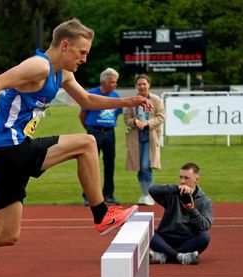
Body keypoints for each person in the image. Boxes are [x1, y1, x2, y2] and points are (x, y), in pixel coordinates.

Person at [0, 18, 153, 277]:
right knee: (87, 143)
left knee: (7, 234)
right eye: (82, 52)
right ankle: (102, 215)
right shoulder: (39, 66)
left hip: (4, 156)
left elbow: (86, 100)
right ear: (64, 45)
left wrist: (128, 100)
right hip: (12, 149)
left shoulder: (63, 74)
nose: (84, 59)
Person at [148, 162, 212, 265]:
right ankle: (180, 256)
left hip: (187, 240)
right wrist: (176, 188)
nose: (182, 181)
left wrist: (192, 210)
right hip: (165, 237)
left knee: (205, 237)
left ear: (197, 179)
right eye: (181, 177)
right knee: (146, 231)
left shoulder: (205, 201)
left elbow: (205, 225)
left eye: (186, 178)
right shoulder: (173, 193)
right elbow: (152, 190)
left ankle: (164, 256)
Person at [79, 67, 122, 206]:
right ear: (104, 81)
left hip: (110, 132)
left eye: (115, 82)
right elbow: (83, 115)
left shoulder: (116, 96)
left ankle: (109, 194)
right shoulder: (91, 94)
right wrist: (91, 129)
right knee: (91, 165)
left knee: (110, 164)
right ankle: (88, 196)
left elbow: (117, 114)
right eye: (112, 82)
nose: (114, 85)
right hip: (94, 131)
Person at [123, 74, 165, 206]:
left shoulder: (156, 99)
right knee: (139, 167)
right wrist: (135, 121)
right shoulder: (132, 101)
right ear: (136, 86)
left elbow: (161, 116)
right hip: (136, 138)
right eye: (139, 84)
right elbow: (126, 118)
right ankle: (144, 194)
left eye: (144, 84)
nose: (142, 86)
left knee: (146, 166)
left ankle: (150, 195)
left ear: (149, 85)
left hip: (150, 138)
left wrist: (147, 123)